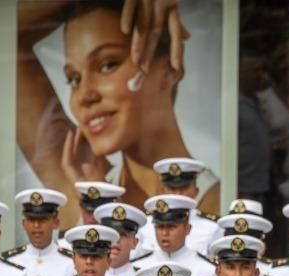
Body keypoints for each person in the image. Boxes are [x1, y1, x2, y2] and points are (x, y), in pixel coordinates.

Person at [17, 2, 219, 214]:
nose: (85, 95)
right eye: (74, 79)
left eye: (107, 64)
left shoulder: (217, 206)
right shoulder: (81, 186)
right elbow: (10, 33)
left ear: (170, 67)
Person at [137, 157, 221, 253]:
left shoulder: (213, 227)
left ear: (196, 190)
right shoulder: (144, 225)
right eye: (172, 188)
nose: (178, 194)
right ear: (162, 191)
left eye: (184, 187)